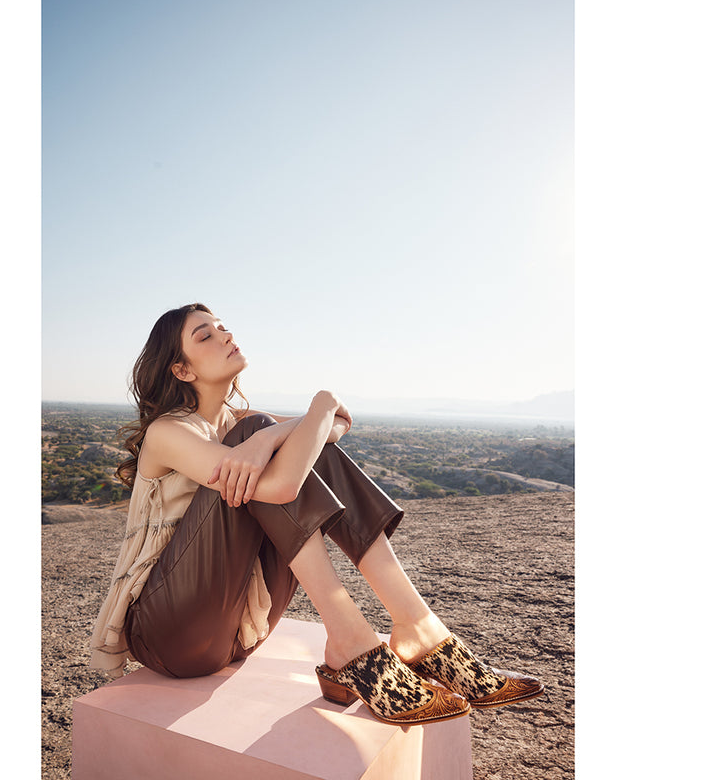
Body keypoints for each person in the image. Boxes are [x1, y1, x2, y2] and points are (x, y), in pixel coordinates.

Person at [90, 303, 543, 725]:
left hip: (237, 629)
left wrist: (300, 422)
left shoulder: (241, 423)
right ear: (182, 369)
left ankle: (417, 626)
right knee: (282, 439)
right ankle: (350, 638)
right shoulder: (168, 432)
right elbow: (283, 484)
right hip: (170, 632)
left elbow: (337, 426)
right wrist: (308, 415)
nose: (225, 334)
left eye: (223, 326)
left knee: (297, 443)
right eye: (205, 335)